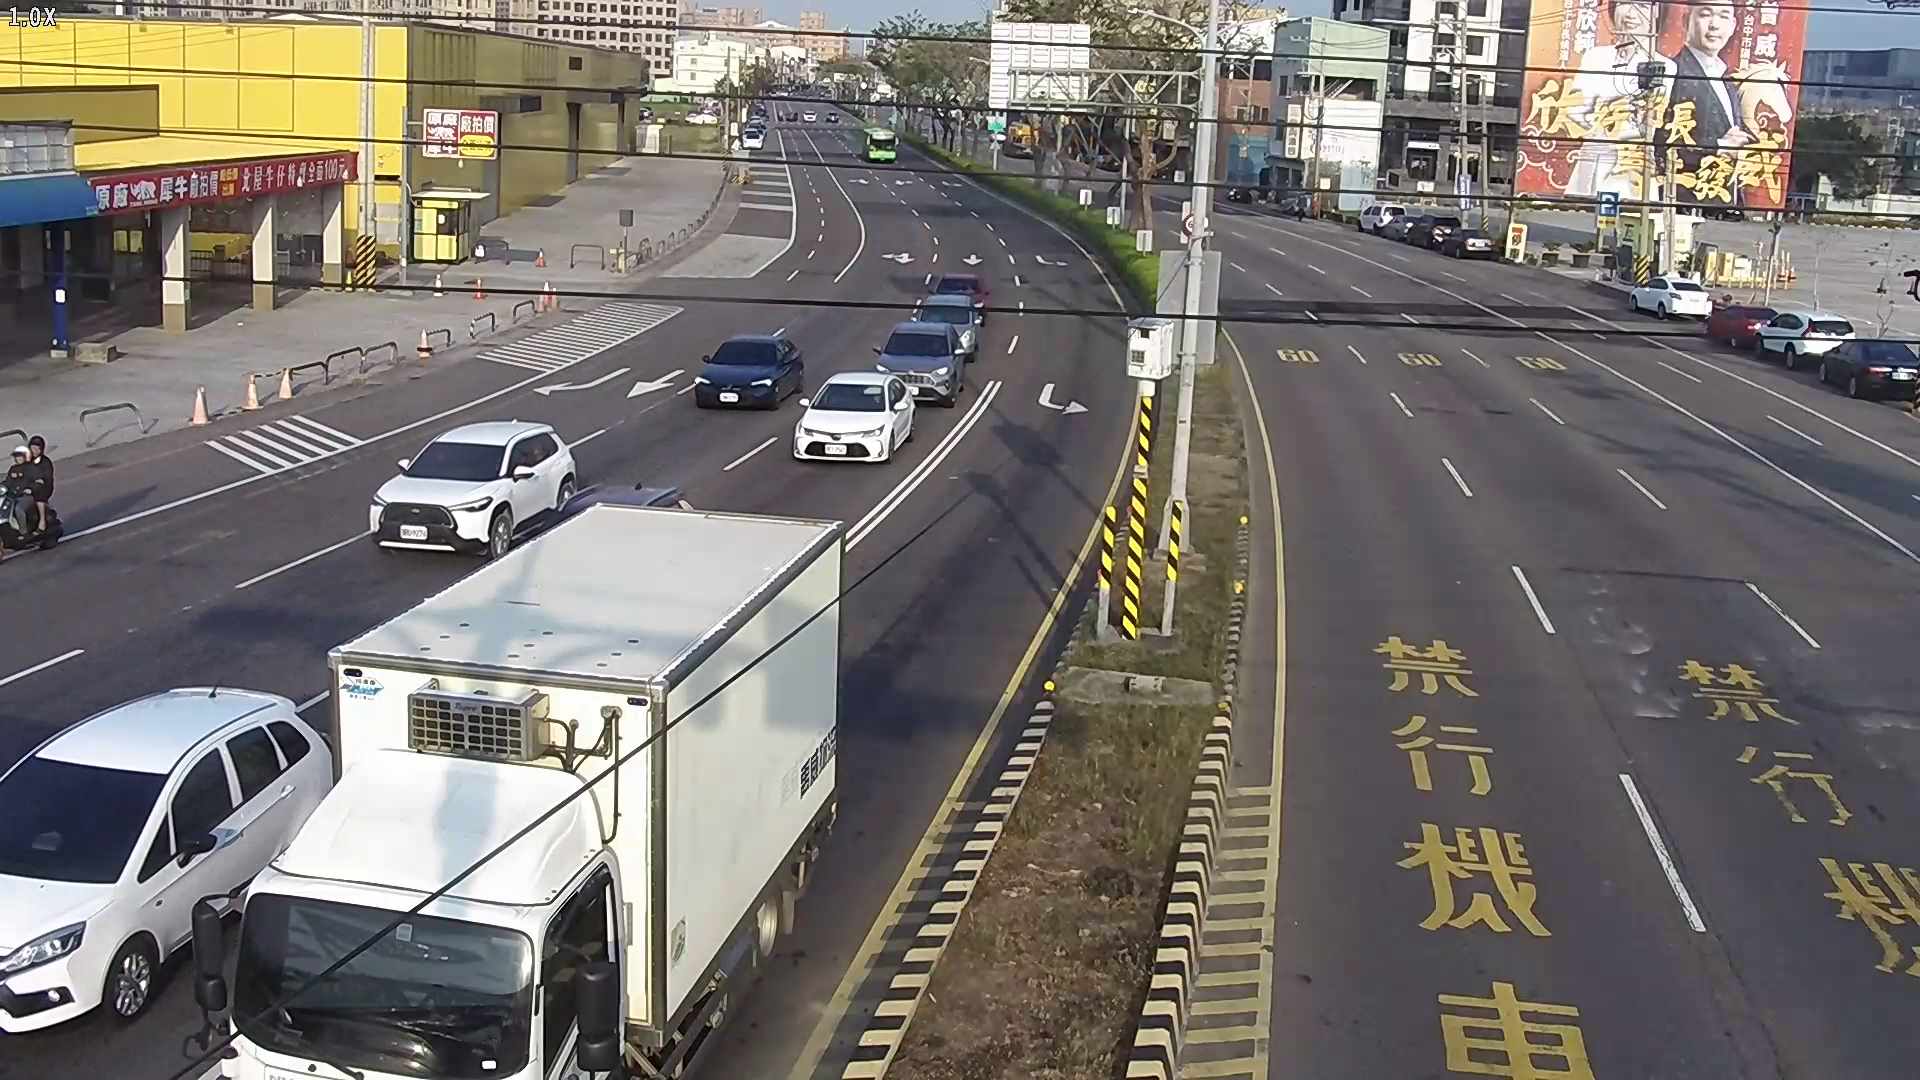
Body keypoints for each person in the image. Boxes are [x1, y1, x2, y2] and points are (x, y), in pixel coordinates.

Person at [1564, 0, 1674, 200]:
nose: (1631, 14)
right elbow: (1575, 111)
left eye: (1641, 6)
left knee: (1630, 221)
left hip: (1632, 168)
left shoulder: (1664, 66)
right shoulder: (1594, 57)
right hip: (1592, 162)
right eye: (1624, 3)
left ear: (1656, 12)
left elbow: (1651, 123)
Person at [22, 435, 52, 535]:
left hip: (43, 489)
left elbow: (45, 479)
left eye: (37, 448)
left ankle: (42, 522)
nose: (34, 450)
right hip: (26, 488)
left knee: (39, 495)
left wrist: (32, 486)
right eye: (32, 448)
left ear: (41, 449)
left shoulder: (45, 462)